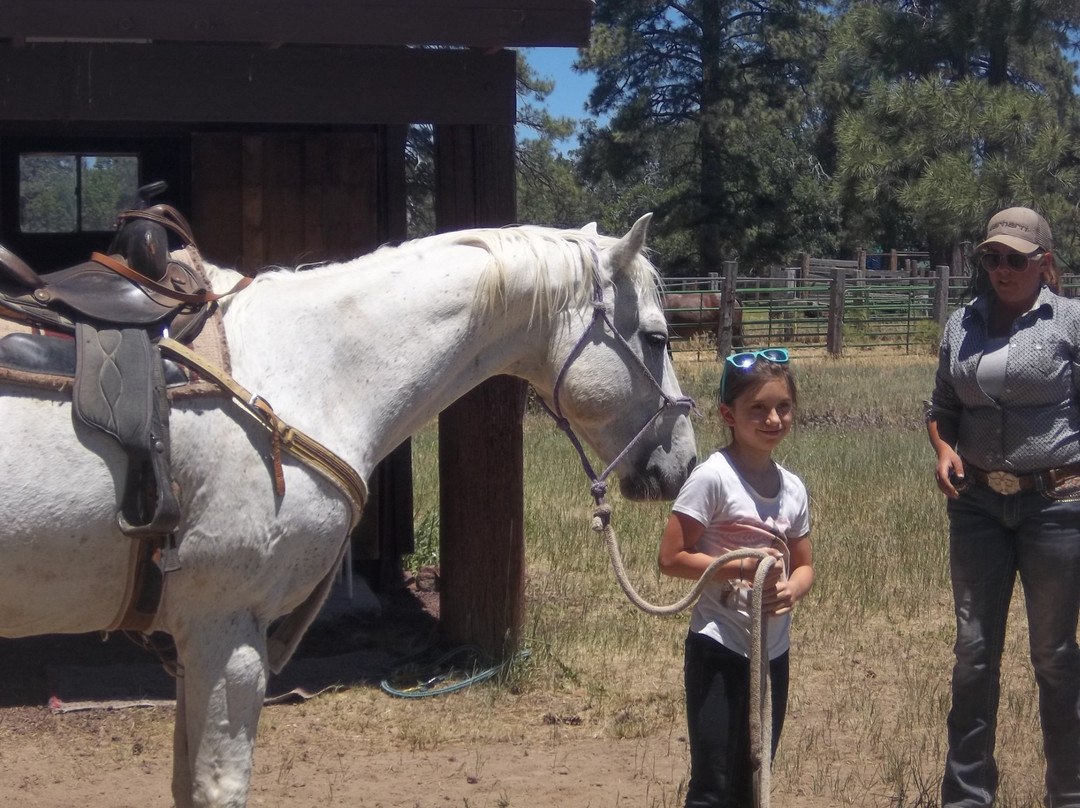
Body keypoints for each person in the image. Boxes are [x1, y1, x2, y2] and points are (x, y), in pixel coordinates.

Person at [926, 206, 1080, 808]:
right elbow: (939, 406)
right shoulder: (962, 323)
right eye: (992, 257)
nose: (1002, 269)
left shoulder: (1070, 322)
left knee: (1055, 654)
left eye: (1015, 258)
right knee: (974, 653)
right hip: (977, 506)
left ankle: (1068, 794)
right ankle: (967, 797)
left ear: (1043, 262)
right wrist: (943, 450)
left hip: (1058, 506)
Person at [658, 348, 814, 807]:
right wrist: (740, 565)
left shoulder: (793, 488)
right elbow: (670, 558)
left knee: (755, 776)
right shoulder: (713, 477)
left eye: (783, 407)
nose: (773, 419)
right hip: (719, 646)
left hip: (772, 653)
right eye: (758, 409)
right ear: (728, 414)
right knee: (713, 786)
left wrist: (792, 589)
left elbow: (804, 565)